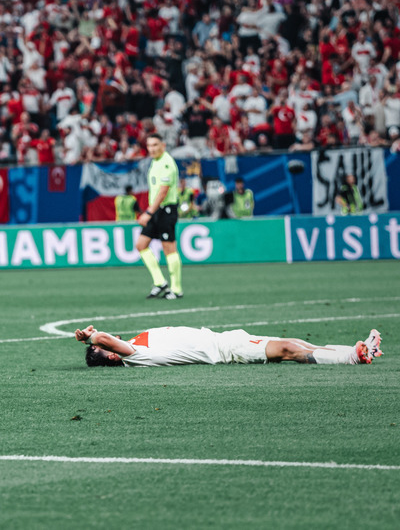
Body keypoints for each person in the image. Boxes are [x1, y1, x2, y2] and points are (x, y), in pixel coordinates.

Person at [74, 324, 382, 367]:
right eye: (106, 350)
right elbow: (102, 339)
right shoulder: (134, 355)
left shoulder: (134, 344)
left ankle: (355, 350)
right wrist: (90, 336)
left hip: (223, 339)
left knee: (294, 343)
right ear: (112, 356)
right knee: (289, 349)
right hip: (225, 348)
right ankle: (353, 358)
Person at [136, 134, 183, 300]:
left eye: (155, 145)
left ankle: (176, 289)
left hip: (166, 210)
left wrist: (148, 213)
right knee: (141, 245)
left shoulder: (167, 163)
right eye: (149, 145)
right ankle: (160, 282)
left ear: (163, 145)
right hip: (156, 210)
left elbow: (163, 192)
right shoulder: (155, 162)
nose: (152, 149)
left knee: (169, 248)